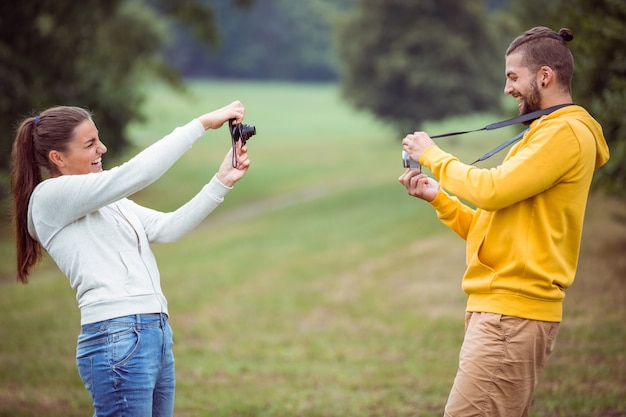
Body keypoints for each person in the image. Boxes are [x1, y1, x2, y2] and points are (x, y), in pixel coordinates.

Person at [398, 27, 610, 416]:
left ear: (544, 76)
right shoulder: (543, 133)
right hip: (499, 311)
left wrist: (434, 156)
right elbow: (493, 222)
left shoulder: (565, 133)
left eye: (514, 77)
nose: (507, 88)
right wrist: (439, 198)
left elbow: (491, 189)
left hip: (512, 316)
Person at [10, 101, 251, 416]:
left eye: (99, 138)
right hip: (118, 335)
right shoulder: (48, 199)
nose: (103, 148)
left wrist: (221, 181)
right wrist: (201, 124)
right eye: (90, 144)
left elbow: (168, 228)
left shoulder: (106, 199)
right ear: (58, 158)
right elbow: (137, 174)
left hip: (154, 332)